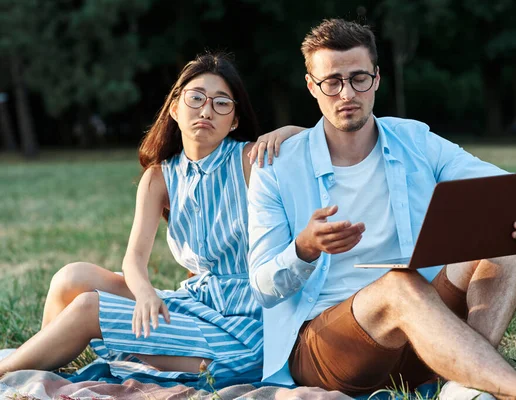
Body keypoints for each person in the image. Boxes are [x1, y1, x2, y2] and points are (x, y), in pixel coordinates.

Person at [247, 19, 516, 400]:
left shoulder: (414, 139)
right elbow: (262, 289)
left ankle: (463, 386)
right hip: (330, 348)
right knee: (399, 286)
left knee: (504, 237)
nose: (347, 93)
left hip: (423, 332)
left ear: (378, 78)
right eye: (332, 82)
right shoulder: (276, 168)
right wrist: (304, 248)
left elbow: (501, 186)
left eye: (359, 79)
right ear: (311, 86)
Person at [0, 52, 303, 384]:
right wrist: (145, 293)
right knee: (71, 278)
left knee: (89, 308)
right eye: (196, 98)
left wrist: (290, 131)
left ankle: (5, 373)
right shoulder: (160, 177)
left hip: (244, 326)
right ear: (174, 108)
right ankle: (41, 368)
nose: (206, 111)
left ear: (233, 120)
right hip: (195, 303)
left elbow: (327, 143)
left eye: (221, 103)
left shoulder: (250, 159)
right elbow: (134, 258)